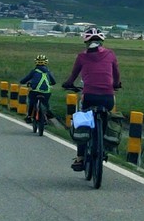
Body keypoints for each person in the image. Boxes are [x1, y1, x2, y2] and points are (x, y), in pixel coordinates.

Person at [61, 27, 121, 171]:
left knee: (83, 122)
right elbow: (116, 74)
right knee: (106, 115)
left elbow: (73, 76)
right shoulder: (111, 54)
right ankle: (103, 146)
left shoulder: (82, 57)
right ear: (102, 41)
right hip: (108, 97)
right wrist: (116, 85)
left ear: (86, 42)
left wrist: (68, 84)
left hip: (89, 96)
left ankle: (80, 157)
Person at [19, 54, 55, 123]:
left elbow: (24, 80)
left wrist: (23, 82)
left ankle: (29, 116)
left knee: (31, 102)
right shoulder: (48, 71)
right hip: (46, 92)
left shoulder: (34, 71)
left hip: (35, 91)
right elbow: (53, 82)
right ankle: (48, 113)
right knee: (46, 102)